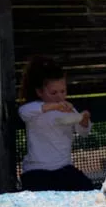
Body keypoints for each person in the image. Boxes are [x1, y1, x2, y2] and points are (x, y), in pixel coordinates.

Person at [18, 55, 94, 191]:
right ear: (40, 92)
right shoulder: (35, 109)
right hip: (37, 171)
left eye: (63, 91)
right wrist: (53, 107)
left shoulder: (69, 109)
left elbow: (84, 132)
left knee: (89, 190)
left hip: (64, 169)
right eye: (53, 93)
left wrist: (84, 119)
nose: (59, 96)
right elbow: (23, 112)